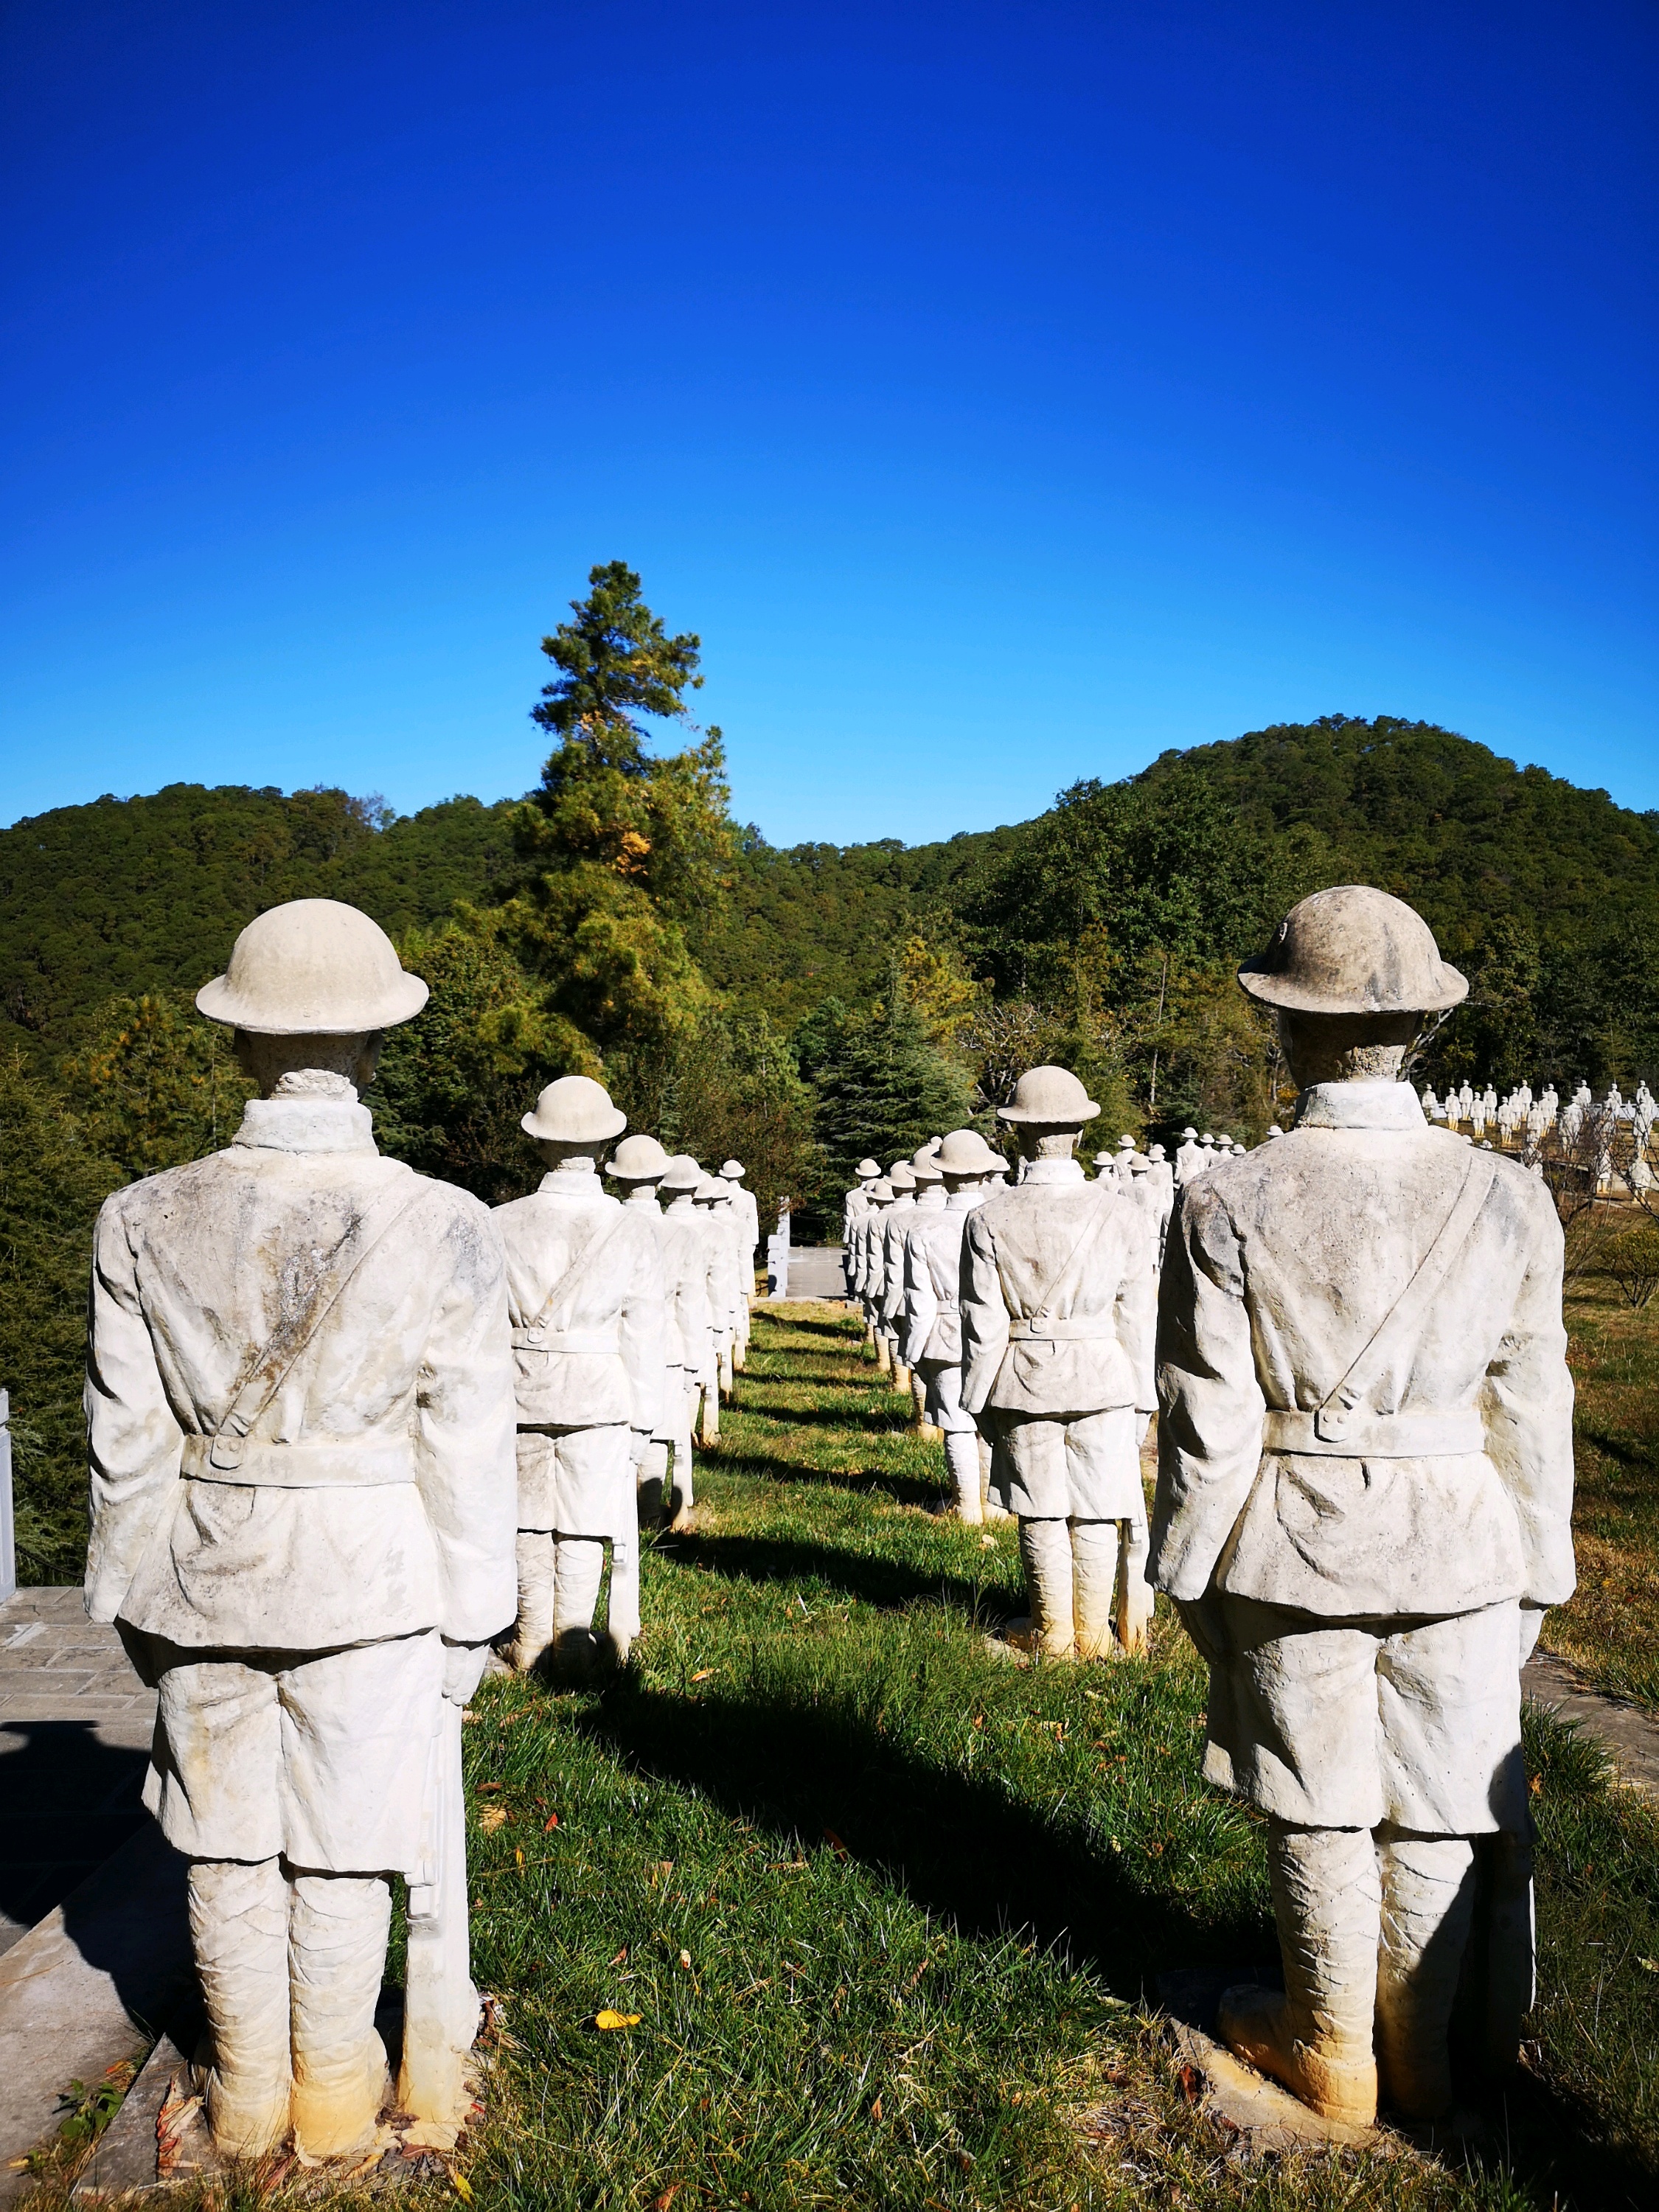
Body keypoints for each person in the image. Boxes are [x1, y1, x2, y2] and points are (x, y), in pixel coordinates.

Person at [83, 899, 517, 2160]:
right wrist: (476, 1613)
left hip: (205, 1576)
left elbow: (129, 1440)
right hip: (372, 1581)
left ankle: (246, 2100)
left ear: (238, 1043)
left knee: (221, 1853)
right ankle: (334, 2108)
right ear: (378, 1044)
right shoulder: (445, 1222)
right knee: (346, 1848)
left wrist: (126, 1590)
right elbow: (467, 1441)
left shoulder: (140, 1216)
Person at [1151, 885, 1574, 2127]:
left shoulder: (1227, 1199)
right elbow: (1534, 1405)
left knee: (1311, 1790)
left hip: (1288, 1536)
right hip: (1460, 1538)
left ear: (1285, 1025)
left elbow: (1208, 1416)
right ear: (1420, 1031)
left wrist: (1187, 1569)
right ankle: (1429, 2062)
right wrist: (1539, 1563)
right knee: (1445, 1798)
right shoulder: (1511, 1198)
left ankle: (1330, 2053)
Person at [961, 1065, 1157, 1659]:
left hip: (1023, 1380)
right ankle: (1094, 1636)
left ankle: (1053, 1634)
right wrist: (1144, 1395)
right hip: (1103, 1377)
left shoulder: (988, 1217)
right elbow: (1137, 1316)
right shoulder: (1124, 1215)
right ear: (1077, 1135)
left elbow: (983, 1323)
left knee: (1040, 1510)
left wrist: (976, 1401)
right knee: (1099, 1510)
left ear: (1018, 1135)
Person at [495, 1077, 665, 1674]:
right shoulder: (634, 1229)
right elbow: (644, 1337)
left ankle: (530, 1639)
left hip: (518, 1390)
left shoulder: (500, 1222)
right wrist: (645, 1422)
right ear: (603, 1146)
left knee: (526, 1520)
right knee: (587, 1522)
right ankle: (570, 1644)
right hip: (599, 1395)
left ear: (540, 1144)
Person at [902, 1128, 1003, 1517]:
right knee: (989, 1422)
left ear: (943, 1176)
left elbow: (920, 1301)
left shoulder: (924, 1231)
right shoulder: (1001, 1219)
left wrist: (912, 1350)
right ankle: (994, 1505)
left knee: (957, 1425)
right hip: (995, 1335)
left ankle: (966, 1505)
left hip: (946, 1336)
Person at [720, 1159, 762, 1367]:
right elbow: (752, 1220)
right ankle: (742, 1334)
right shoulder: (748, 1196)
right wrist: (753, 1242)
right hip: (743, 1242)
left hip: (725, 1245)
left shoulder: (719, 1193)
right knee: (741, 1288)